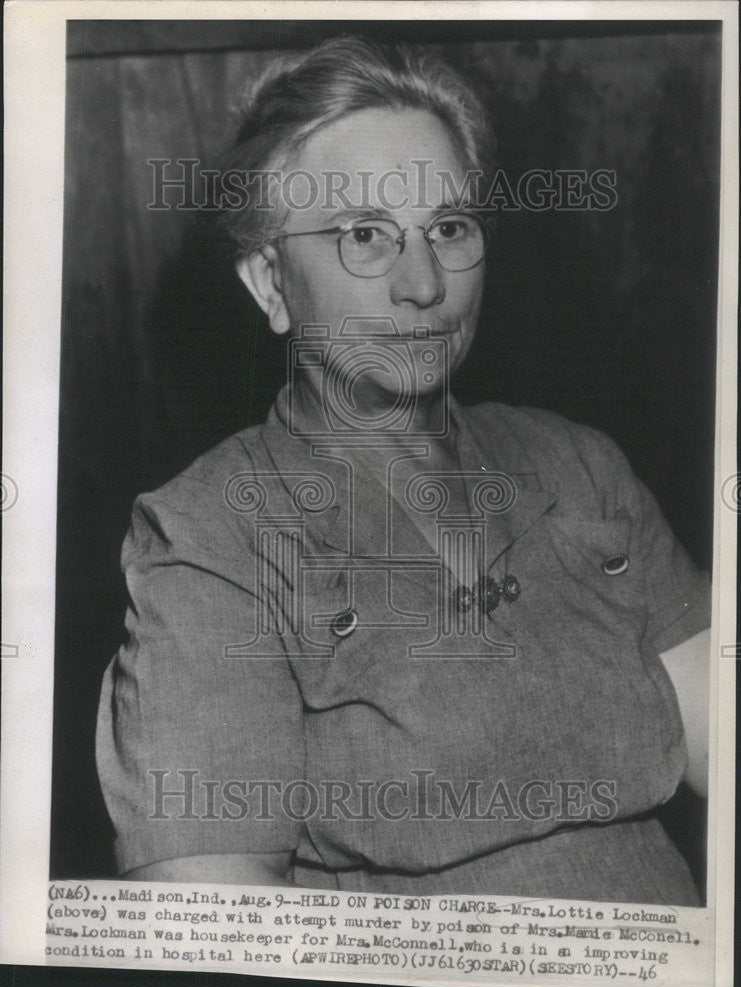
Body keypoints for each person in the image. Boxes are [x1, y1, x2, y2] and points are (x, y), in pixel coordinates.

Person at [96, 36, 710, 903]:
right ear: (270, 284)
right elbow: (214, 920)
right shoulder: (209, 538)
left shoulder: (576, 464)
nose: (423, 284)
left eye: (448, 228)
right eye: (364, 236)